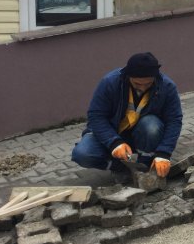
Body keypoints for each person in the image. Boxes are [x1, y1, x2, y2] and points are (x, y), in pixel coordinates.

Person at [71, 52, 183, 181]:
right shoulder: (110, 83)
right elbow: (96, 116)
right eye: (137, 84)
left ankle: (144, 165)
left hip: (142, 133)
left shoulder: (167, 87)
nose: (143, 88)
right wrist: (114, 142)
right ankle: (121, 168)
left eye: (148, 84)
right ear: (128, 76)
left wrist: (164, 153)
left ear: (155, 77)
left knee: (151, 125)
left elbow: (174, 120)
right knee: (83, 154)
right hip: (112, 131)